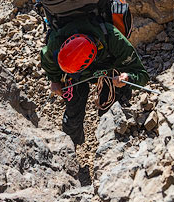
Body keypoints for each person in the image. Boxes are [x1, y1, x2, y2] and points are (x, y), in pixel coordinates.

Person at [40, 17, 148, 145]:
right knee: (73, 115)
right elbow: (47, 60)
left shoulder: (113, 39)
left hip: (108, 72)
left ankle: (111, 143)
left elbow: (142, 75)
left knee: (113, 110)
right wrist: (54, 80)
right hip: (74, 75)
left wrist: (127, 78)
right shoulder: (56, 42)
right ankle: (70, 149)